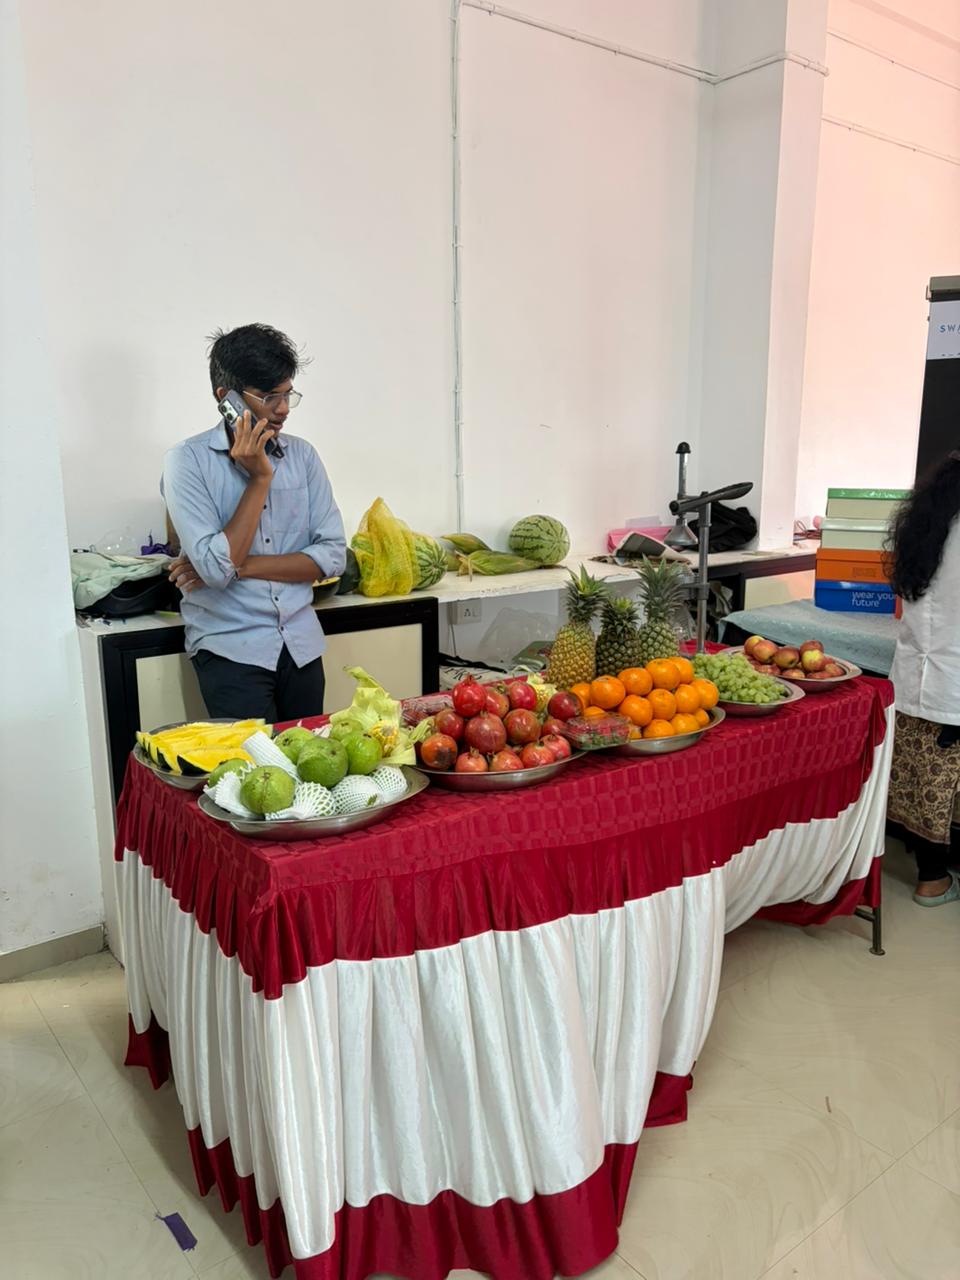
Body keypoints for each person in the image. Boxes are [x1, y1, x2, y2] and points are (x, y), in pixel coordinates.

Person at [162, 323, 346, 722]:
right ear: (225, 398)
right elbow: (216, 570)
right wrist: (260, 478)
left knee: (311, 758)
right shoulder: (186, 462)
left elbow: (333, 557)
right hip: (231, 650)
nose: (283, 409)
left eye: (288, 394)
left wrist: (240, 567)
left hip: (301, 646)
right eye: (268, 397)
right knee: (253, 764)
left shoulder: (303, 457)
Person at [887, 450, 960, 906]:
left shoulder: (923, 525)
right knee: (941, 780)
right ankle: (933, 882)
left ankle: (931, 875)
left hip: (917, 675)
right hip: (951, 681)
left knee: (922, 779)